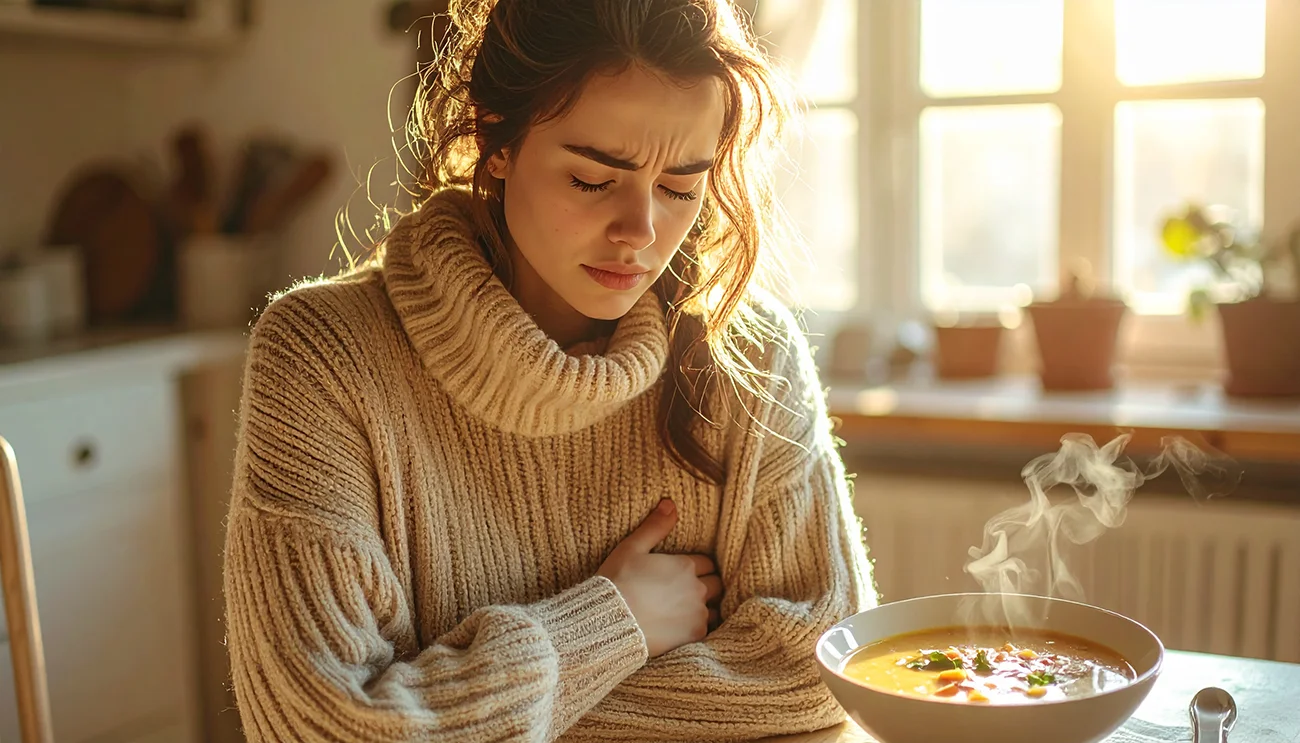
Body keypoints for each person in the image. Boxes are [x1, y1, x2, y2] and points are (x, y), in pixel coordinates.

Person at [222, 0, 876, 740]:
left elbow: (818, 677)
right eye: (594, 179)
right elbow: (326, 727)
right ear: (494, 142)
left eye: (680, 188)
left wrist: (481, 709)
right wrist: (615, 620)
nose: (641, 233)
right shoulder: (323, 357)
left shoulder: (748, 352)